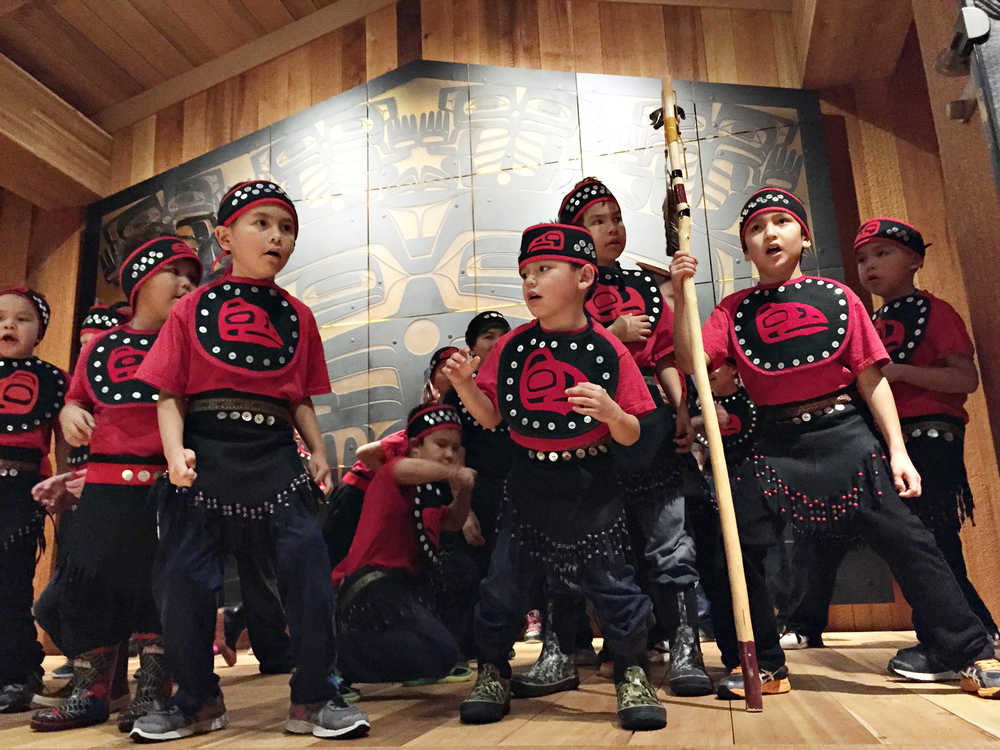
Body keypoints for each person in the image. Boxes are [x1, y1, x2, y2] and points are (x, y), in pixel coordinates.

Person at [668, 187, 1000, 701]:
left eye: (781, 222)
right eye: (755, 228)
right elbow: (692, 361)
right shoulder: (732, 310)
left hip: (847, 437)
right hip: (772, 443)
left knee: (912, 542)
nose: (769, 233)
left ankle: (972, 651)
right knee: (737, 543)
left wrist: (898, 451)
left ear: (804, 236)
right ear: (746, 248)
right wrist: (680, 294)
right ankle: (764, 664)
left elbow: (872, 378)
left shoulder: (840, 296)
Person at [131, 180, 370, 741]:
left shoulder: (299, 315)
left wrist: (317, 451)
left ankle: (314, 697)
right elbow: (170, 392)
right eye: (261, 224)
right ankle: (196, 700)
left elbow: (299, 397)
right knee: (185, 581)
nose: (276, 237)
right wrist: (174, 453)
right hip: (205, 455)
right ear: (224, 237)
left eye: (286, 228)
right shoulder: (189, 309)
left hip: (275, 456)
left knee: (309, 572)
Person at [443, 222, 666, 731]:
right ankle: (493, 670)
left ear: (584, 276)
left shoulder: (609, 348)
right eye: (525, 272)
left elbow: (633, 432)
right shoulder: (511, 346)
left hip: (591, 484)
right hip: (528, 483)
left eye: (544, 269)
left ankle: (632, 672)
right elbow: (492, 418)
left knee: (614, 586)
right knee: (502, 586)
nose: (531, 282)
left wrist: (611, 412)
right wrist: (464, 385)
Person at [514, 178, 710, 698]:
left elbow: (666, 355)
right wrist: (613, 334)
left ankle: (685, 648)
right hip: (579, 422)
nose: (611, 229)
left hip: (646, 416)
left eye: (616, 217)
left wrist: (681, 408)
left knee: (668, 539)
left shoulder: (644, 285)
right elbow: (549, 355)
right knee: (571, 542)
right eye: (596, 221)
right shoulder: (559, 288)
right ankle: (563, 649)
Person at [782, 217, 999, 665]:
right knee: (824, 529)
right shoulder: (870, 318)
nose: (869, 266)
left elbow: (965, 378)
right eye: (862, 258)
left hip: (929, 437)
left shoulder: (936, 312)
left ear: (916, 260)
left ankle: (969, 634)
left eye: (883, 254)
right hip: (877, 439)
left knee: (930, 538)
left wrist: (899, 373)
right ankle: (806, 622)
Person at [30, 232, 202, 733]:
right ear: (140, 281)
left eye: (193, 279)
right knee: (88, 585)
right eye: (175, 273)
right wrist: (69, 411)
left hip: (163, 486)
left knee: (156, 588)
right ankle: (92, 690)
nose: (186, 285)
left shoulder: (191, 346)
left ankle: (152, 690)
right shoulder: (101, 347)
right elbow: (78, 397)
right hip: (104, 489)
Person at [331, 403, 475, 684]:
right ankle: (334, 659)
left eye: (455, 448)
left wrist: (464, 494)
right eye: (441, 445)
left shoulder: (427, 494)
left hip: (401, 589)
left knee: (443, 652)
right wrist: (454, 473)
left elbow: (453, 521)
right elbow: (406, 467)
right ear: (415, 447)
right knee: (440, 653)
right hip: (370, 590)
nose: (449, 454)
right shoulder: (394, 471)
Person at [0, 287, 67, 714]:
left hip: (21, 492)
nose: (9, 325)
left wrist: (65, 485)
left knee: (11, 585)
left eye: (22, 319)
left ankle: (18, 673)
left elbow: (64, 440)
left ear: (39, 332)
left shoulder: (53, 380)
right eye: (0, 318)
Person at [441, 311, 514, 663]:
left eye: (503, 335)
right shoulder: (456, 395)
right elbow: (453, 454)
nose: (497, 342)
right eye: (488, 336)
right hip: (478, 491)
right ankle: (474, 649)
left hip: (522, 490)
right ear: (471, 347)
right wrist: (464, 509)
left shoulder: (520, 382)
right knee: (476, 573)